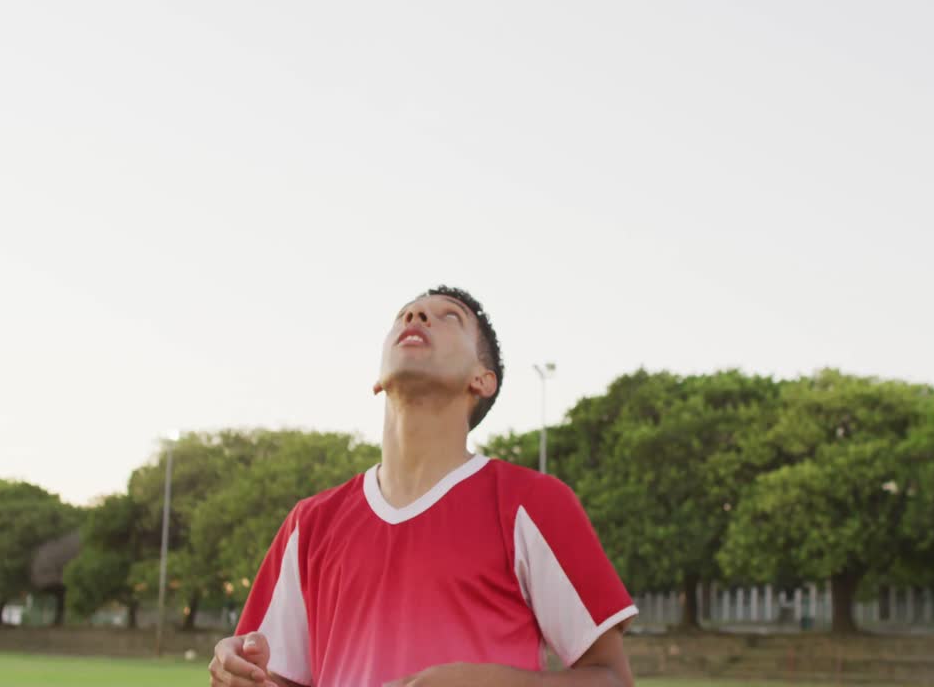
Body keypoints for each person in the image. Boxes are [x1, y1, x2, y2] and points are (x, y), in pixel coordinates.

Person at [209, 286, 637, 687]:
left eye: (449, 317)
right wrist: (240, 674)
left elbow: (612, 677)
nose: (416, 316)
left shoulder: (533, 502)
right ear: (378, 379)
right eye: (405, 315)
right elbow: (274, 676)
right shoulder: (310, 522)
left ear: (482, 379)